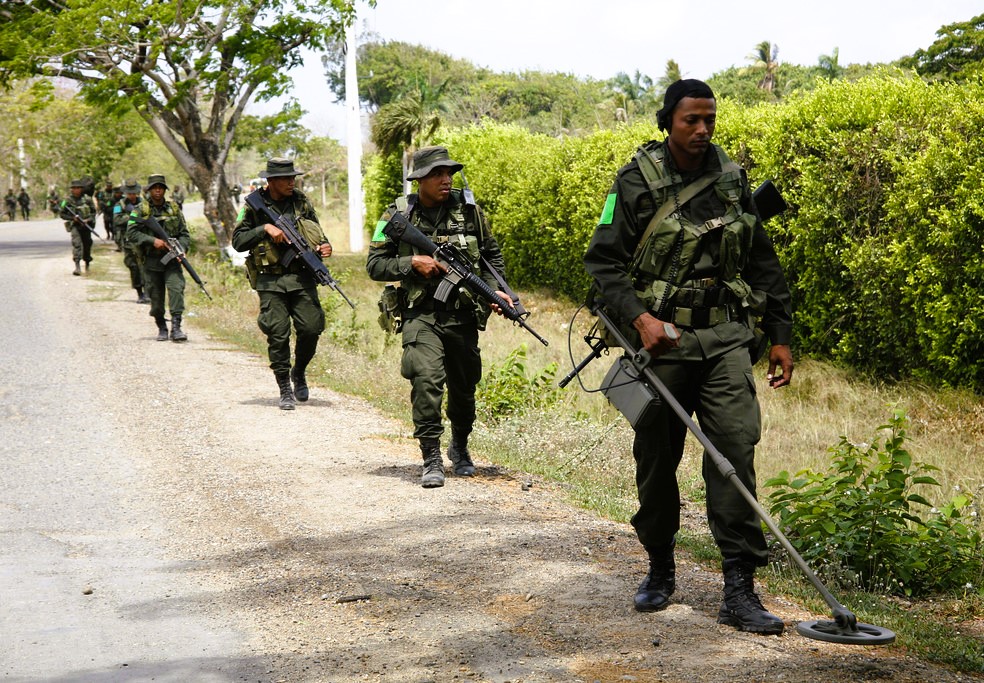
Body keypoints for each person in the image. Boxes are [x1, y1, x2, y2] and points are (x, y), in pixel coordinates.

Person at [583, 80, 794, 635]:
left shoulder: (733, 179)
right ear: (667, 122)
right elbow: (602, 264)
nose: (702, 130)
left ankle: (739, 587)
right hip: (663, 343)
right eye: (691, 121)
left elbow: (762, 261)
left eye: (709, 120)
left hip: (725, 338)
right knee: (656, 459)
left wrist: (780, 332)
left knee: (735, 455)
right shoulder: (633, 182)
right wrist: (641, 319)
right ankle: (659, 567)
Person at [366, 146, 512, 489]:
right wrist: (411, 263)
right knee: (426, 381)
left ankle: (459, 447)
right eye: (437, 174)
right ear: (420, 180)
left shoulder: (471, 211)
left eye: (449, 173)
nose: (446, 179)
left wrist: (498, 291)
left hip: (461, 316)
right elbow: (373, 265)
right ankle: (430, 456)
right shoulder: (396, 215)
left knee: (464, 388)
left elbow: (491, 256)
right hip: (420, 315)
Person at [231, 158, 332, 410]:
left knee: (311, 328)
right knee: (277, 333)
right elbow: (238, 241)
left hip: (302, 276)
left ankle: (299, 371)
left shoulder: (301, 201)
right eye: (286, 179)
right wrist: (265, 228)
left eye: (293, 178)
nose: (291, 182)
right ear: (271, 181)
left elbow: (317, 230)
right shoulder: (253, 205)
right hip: (270, 279)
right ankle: (284, 387)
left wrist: (324, 246)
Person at [126, 174, 191, 342]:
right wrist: (152, 241)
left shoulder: (174, 209)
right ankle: (161, 326)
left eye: (160, 188)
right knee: (155, 299)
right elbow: (131, 233)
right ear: (149, 190)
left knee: (176, 289)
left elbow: (184, 233)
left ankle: (176, 328)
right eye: (154, 187)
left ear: (164, 190)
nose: (157, 190)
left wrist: (181, 248)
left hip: (172, 260)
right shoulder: (140, 210)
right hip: (151, 261)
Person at [114, 178, 149, 304]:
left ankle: (148, 293)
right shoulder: (120, 205)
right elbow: (117, 220)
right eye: (130, 193)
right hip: (129, 240)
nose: (132, 195)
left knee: (146, 266)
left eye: (134, 193)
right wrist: (133, 218)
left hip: (143, 239)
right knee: (133, 266)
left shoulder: (144, 203)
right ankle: (140, 293)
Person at [59, 179, 97, 275]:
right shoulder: (67, 201)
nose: (76, 190)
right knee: (77, 244)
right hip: (75, 226)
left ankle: (87, 265)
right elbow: (62, 214)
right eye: (74, 188)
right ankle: (77, 267)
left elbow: (93, 212)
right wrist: (72, 218)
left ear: (81, 189)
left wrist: (88, 220)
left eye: (78, 188)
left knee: (87, 244)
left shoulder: (87, 199)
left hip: (86, 225)